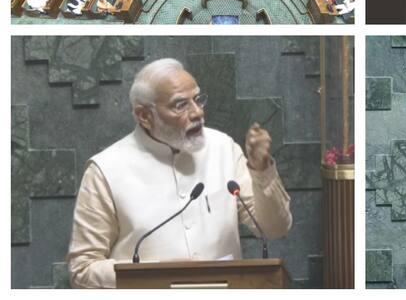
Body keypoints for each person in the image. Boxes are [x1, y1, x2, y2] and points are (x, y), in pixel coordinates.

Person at [67, 59, 293, 288]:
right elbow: (83, 269)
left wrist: (261, 172)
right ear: (144, 115)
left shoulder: (222, 148)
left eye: (197, 99)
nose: (197, 112)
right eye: (180, 105)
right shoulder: (105, 169)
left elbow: (275, 228)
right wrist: (154, 276)